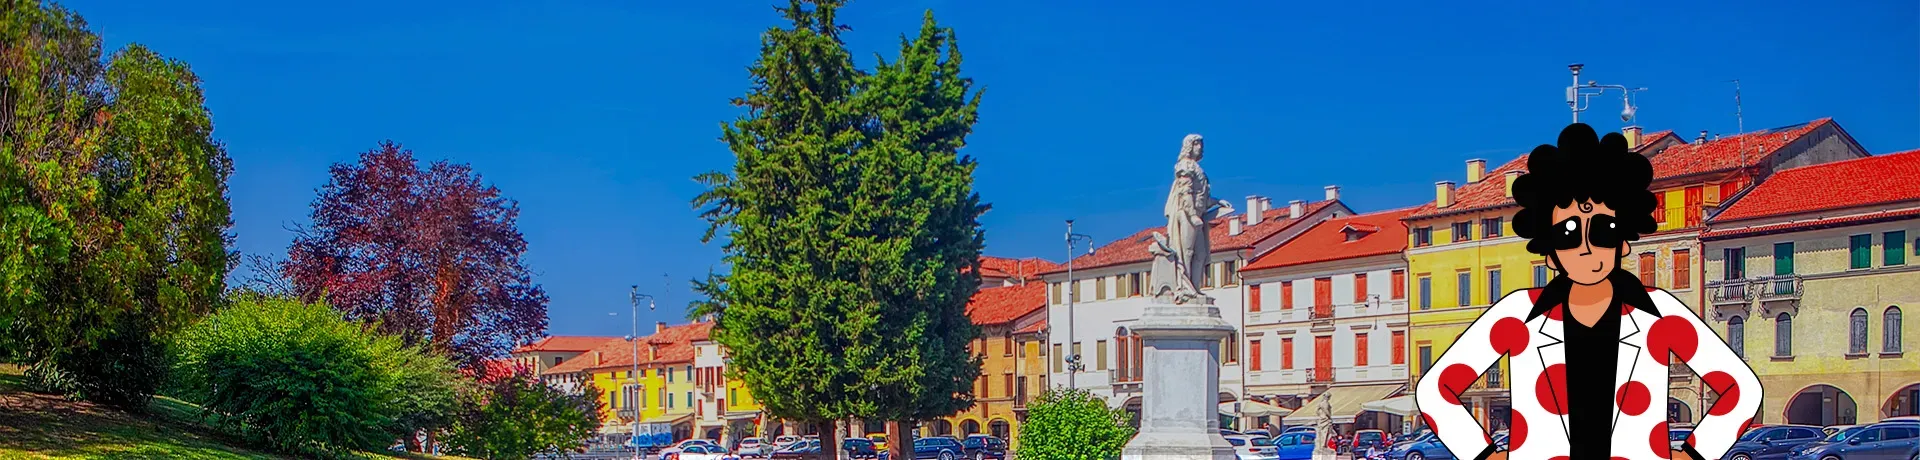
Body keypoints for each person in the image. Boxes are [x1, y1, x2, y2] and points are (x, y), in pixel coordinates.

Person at [1411, 124, 1761, 460]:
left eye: (1603, 230)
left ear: (1622, 242)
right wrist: (1484, 453)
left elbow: (1742, 389)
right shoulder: (1517, 314)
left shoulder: (1659, 313)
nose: (1586, 246)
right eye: (1568, 234)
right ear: (1550, 252)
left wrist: (1696, 453)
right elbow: (1435, 390)